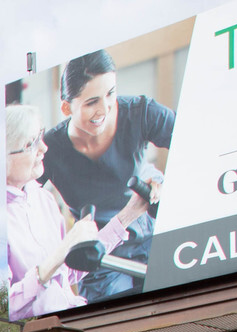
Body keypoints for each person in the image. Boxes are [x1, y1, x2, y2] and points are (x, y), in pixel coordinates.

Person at [40, 49, 173, 303]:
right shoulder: (49, 149)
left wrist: (166, 185)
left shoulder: (141, 111)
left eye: (111, 93)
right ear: (67, 107)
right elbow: (16, 194)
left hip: (151, 237)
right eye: (91, 102)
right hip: (101, 254)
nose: (105, 108)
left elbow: (198, 143)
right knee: (114, 325)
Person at [6, 104, 100, 319]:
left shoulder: (44, 199)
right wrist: (64, 249)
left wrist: (127, 216)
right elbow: (6, 308)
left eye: (41, 136)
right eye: (31, 143)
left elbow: (67, 274)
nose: (44, 148)